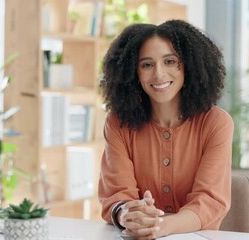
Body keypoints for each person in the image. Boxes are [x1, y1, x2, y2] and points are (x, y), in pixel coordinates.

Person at [98, 19, 234, 240]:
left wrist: (160, 226)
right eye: (147, 65)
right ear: (133, 73)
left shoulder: (216, 123)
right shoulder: (117, 123)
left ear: (189, 65)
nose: (159, 74)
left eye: (170, 61)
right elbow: (116, 196)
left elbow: (209, 202)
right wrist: (129, 215)